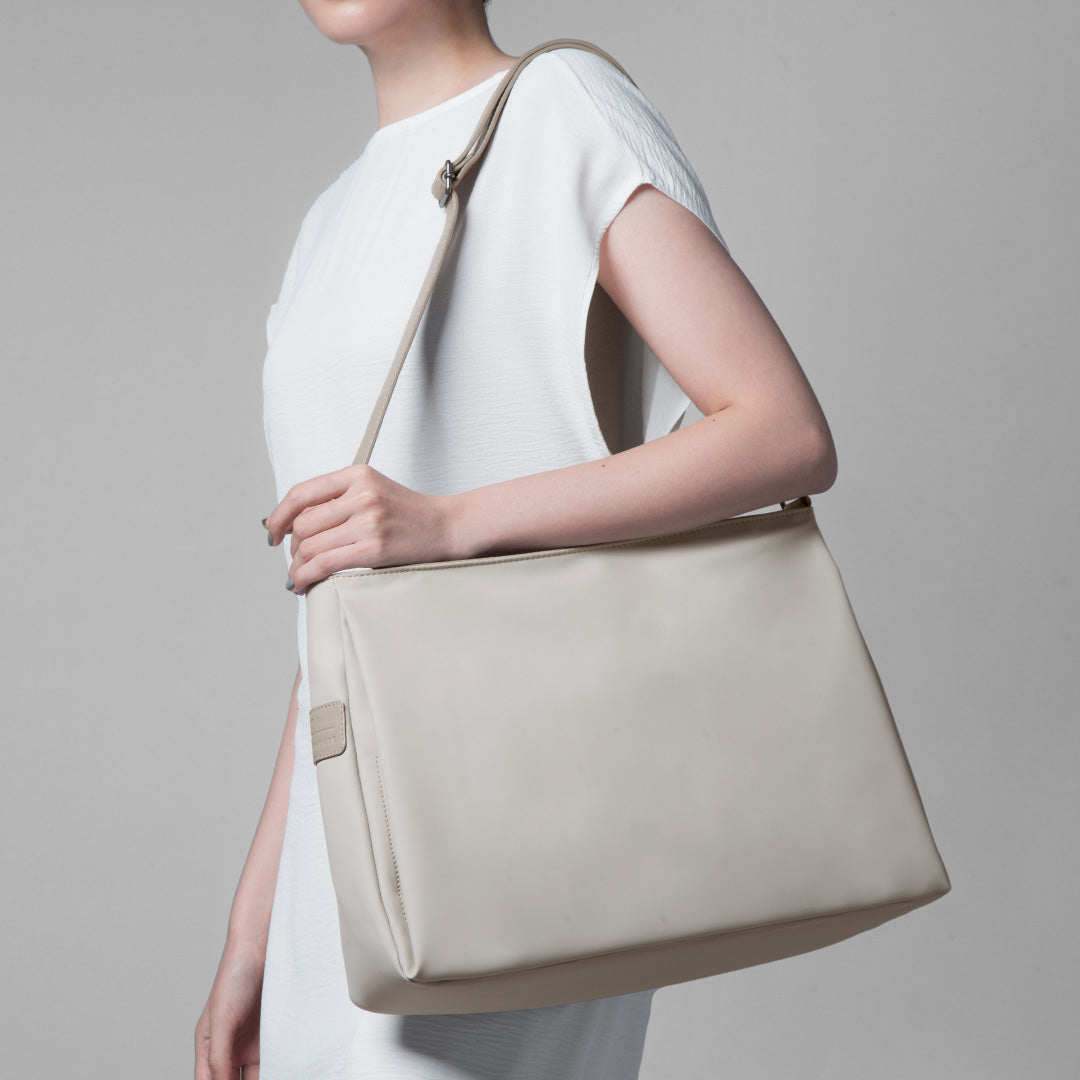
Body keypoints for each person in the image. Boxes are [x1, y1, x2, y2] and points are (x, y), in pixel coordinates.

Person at [195, 1, 838, 1077]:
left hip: (521, 827)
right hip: (341, 881)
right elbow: (336, 625)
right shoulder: (325, 227)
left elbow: (784, 432)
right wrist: (252, 932)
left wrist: (452, 524)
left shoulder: (563, 111)